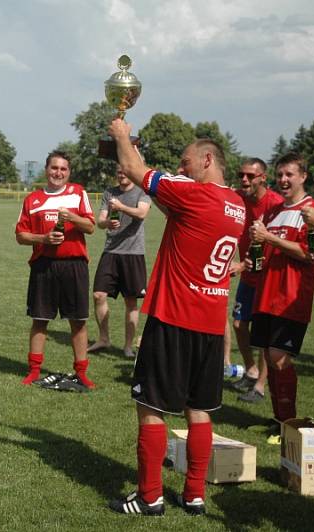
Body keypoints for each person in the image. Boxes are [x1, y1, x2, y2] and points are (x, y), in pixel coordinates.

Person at [106, 119, 245, 517]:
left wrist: (120, 134)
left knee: (150, 407)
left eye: (186, 162)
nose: (181, 169)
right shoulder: (236, 203)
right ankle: (195, 494)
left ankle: (149, 497)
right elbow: (166, 198)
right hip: (209, 323)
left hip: (174, 317)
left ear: (207, 159)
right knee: (198, 409)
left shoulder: (194, 195)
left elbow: (135, 172)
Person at [249, 153, 314, 442]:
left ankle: (289, 424)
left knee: (280, 359)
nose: (283, 180)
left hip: (291, 298)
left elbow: (311, 255)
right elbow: (263, 254)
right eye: (280, 175)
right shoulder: (274, 211)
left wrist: (271, 238)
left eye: (289, 175)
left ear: (303, 176)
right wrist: (256, 247)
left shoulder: (311, 211)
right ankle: (279, 420)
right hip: (266, 295)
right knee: (270, 356)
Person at [15, 149, 96, 391]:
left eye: (63, 169)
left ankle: (81, 373)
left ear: (69, 172)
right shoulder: (33, 199)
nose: (58, 173)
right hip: (44, 266)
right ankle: (34, 371)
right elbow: (20, 235)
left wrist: (71, 216)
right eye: (54, 168)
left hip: (74, 265)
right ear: (46, 169)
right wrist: (43, 238)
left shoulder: (78, 193)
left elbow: (91, 227)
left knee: (78, 321)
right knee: (40, 320)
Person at [228, 158, 284, 403]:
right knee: (240, 325)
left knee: (263, 334)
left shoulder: (275, 204)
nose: (244, 180)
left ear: (263, 177)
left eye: (250, 176)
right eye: (241, 175)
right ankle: (251, 369)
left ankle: (260, 386)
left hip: (268, 278)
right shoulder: (238, 198)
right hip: (247, 274)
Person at [87, 164, 152, 358]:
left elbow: (142, 213)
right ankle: (104, 339)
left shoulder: (142, 191)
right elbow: (100, 222)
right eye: (119, 171)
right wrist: (108, 222)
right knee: (99, 294)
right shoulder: (110, 192)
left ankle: (128, 346)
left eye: (125, 171)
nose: (121, 174)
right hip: (111, 250)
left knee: (131, 301)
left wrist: (121, 207)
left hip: (133, 253)